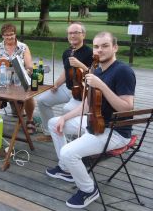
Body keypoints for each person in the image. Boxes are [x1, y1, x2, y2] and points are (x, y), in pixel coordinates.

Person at [46, 32, 136, 208]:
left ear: (115, 47)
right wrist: (64, 117)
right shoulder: (97, 70)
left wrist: (101, 85)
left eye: (105, 46)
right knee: (53, 123)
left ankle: (88, 189)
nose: (99, 50)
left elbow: (126, 108)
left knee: (68, 152)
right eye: (96, 46)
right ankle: (66, 169)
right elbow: (88, 106)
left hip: (114, 131)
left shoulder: (123, 71)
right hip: (95, 122)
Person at [36, 22, 93, 141]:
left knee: (67, 109)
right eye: (70, 33)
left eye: (76, 33)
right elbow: (67, 71)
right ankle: (49, 133)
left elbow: (95, 75)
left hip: (82, 92)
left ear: (83, 35)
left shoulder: (90, 53)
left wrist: (80, 65)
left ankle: (72, 138)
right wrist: (57, 83)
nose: (72, 36)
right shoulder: (67, 52)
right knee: (42, 101)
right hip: (67, 88)